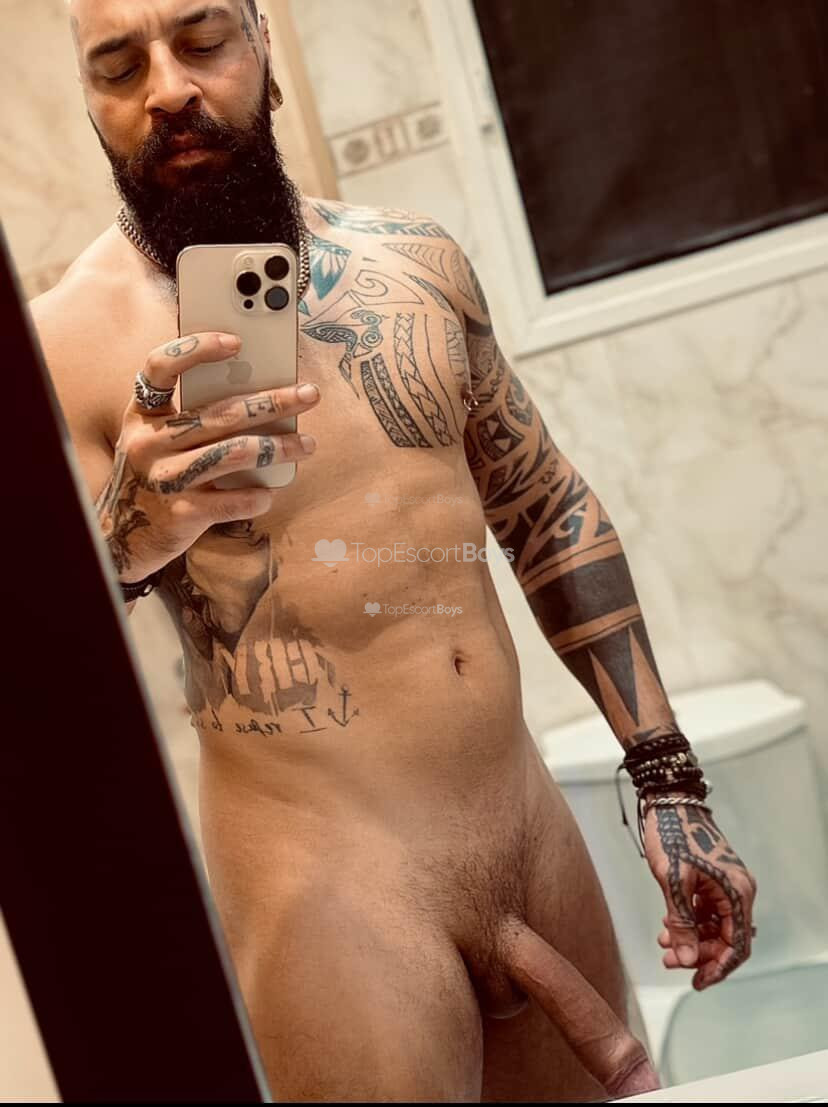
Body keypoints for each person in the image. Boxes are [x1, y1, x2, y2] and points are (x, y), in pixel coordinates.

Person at [29, 0, 757, 1099]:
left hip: (530, 833)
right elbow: (36, 663)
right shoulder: (60, 343)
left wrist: (668, 779)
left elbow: (543, 503)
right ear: (90, 101)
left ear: (264, 43)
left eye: (203, 41)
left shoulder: (417, 260)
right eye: (119, 67)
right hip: (329, 888)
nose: (168, 89)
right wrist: (129, 535)